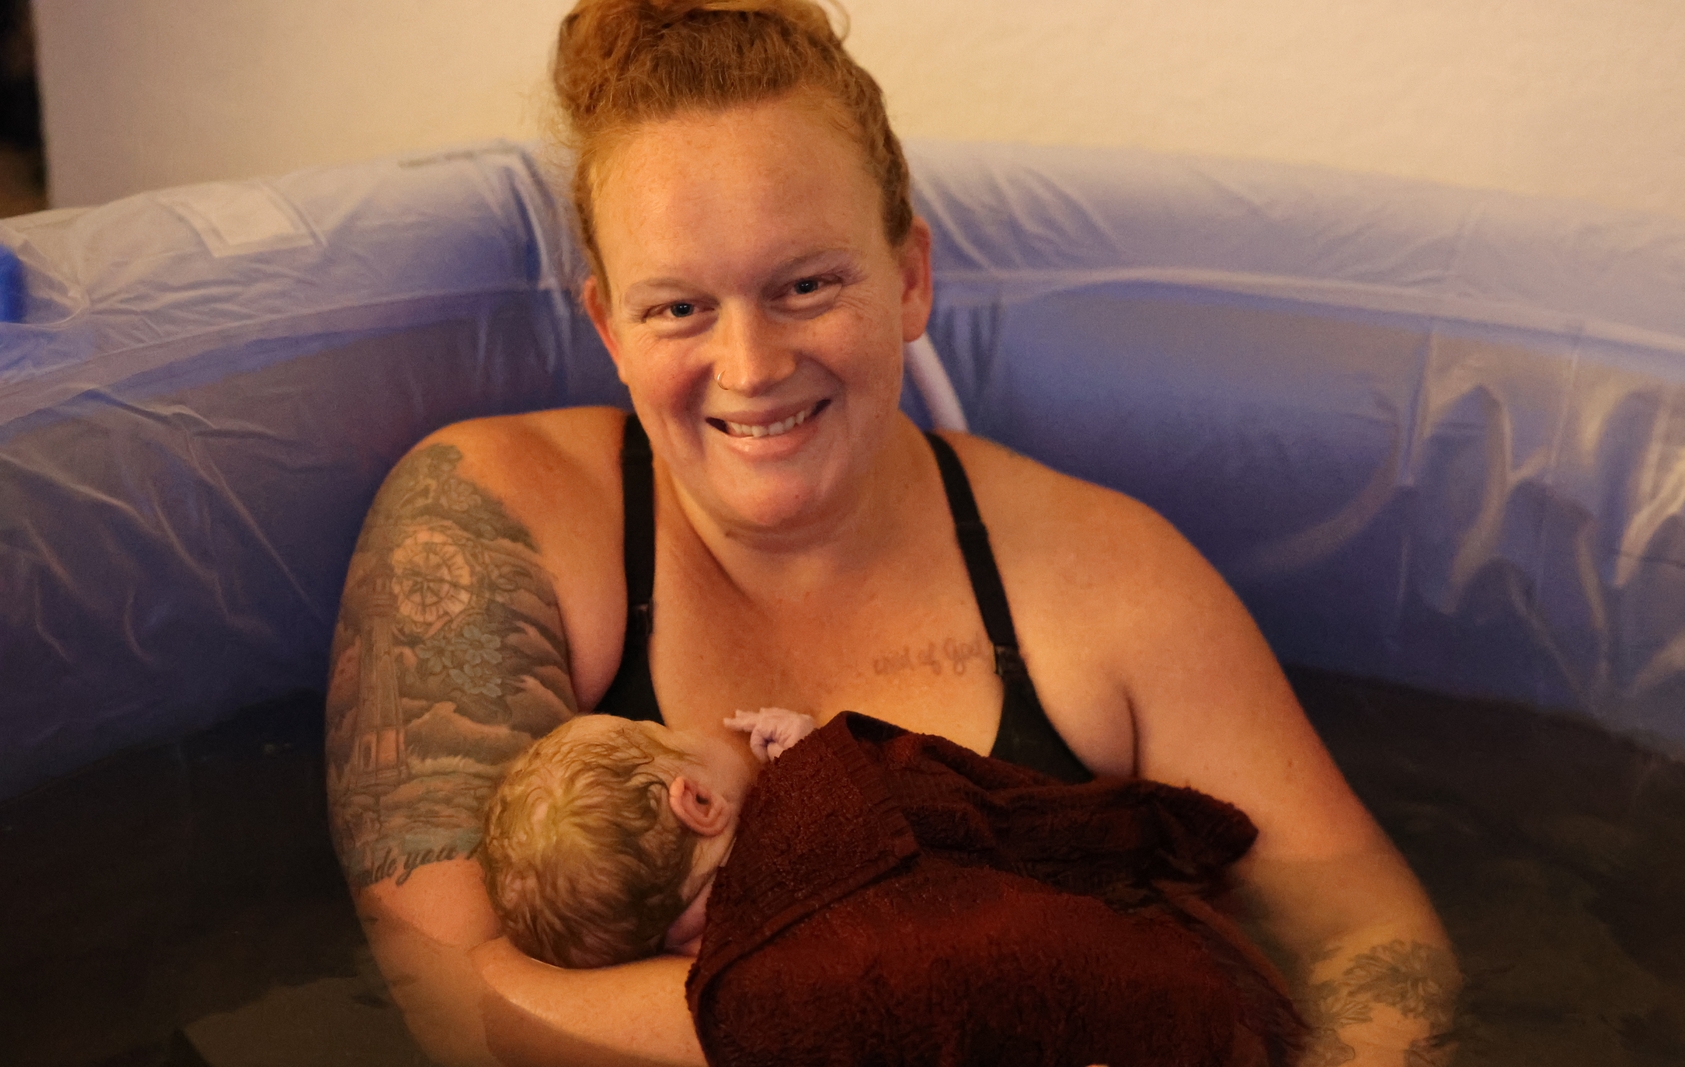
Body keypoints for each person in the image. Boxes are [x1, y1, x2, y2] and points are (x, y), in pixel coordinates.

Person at [323, 1, 1458, 1064]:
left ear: (911, 276)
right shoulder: (490, 523)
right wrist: (938, 989)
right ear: (608, 326)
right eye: (678, 306)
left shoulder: (1104, 575)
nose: (752, 366)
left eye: (807, 284)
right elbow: (465, 1000)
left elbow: (1368, 934)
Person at [478, 707, 1305, 1066]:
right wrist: (817, 756)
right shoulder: (827, 798)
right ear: (696, 801)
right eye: (662, 731)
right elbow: (965, 809)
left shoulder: (744, 993)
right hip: (1174, 994)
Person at [476, 708, 817, 967]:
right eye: (663, 733)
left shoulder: (690, 960)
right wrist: (808, 755)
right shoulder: (778, 850)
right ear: (701, 803)